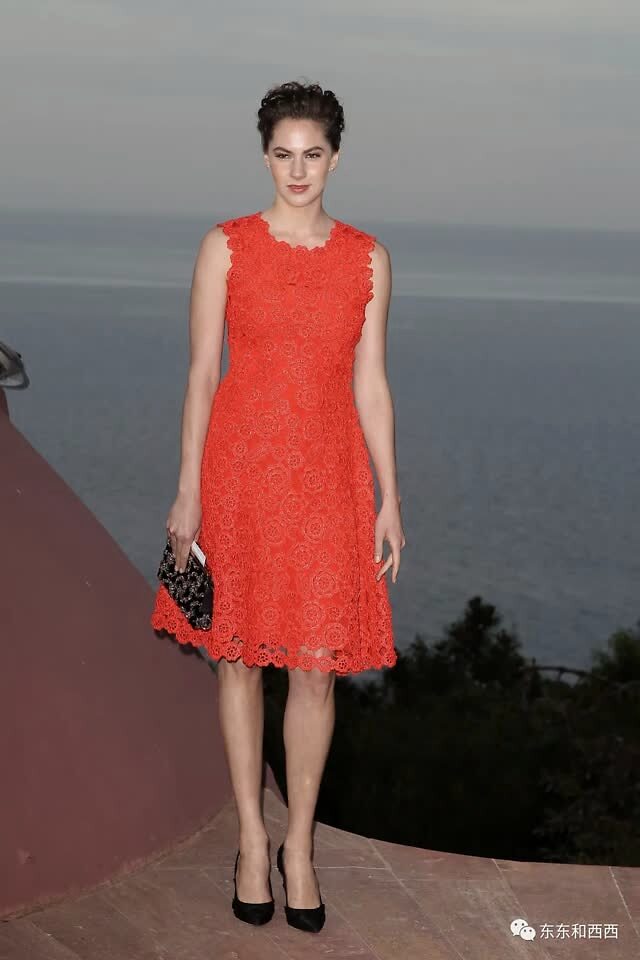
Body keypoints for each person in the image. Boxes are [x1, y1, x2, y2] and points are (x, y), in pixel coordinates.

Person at [150, 80, 405, 933]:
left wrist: (391, 496)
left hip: (330, 480)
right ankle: (252, 842)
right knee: (238, 661)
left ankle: (300, 847)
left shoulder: (368, 259)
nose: (298, 170)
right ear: (265, 156)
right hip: (240, 476)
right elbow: (200, 375)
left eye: (313, 155)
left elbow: (372, 384)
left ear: (336, 158)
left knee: (316, 668)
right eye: (283, 154)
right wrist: (187, 489)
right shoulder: (225, 247)